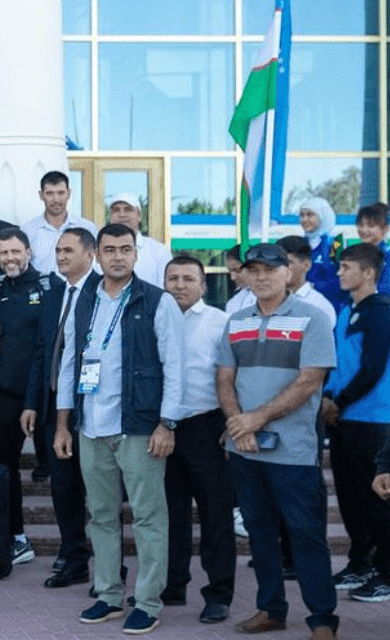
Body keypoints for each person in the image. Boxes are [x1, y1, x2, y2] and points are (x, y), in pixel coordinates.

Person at [54, 222, 183, 635]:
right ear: (97, 255)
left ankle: (146, 601)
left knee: (148, 517)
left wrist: (167, 423)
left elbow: (175, 369)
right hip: (91, 427)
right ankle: (108, 594)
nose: (117, 257)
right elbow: (70, 363)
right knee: (102, 517)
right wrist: (64, 424)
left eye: (124, 249)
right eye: (109, 250)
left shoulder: (156, 301)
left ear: (135, 253)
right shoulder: (85, 300)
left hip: (140, 427)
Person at [218, 242, 338, 639]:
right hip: (245, 449)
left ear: (288, 273)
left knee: (305, 536)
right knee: (260, 534)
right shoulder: (236, 320)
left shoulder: (313, 318)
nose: (263, 275)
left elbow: (309, 382)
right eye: (254, 269)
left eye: (271, 268)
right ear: (245, 276)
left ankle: (322, 619)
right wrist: (239, 424)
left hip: (292, 452)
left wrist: (255, 418)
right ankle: (271, 609)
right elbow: (224, 379)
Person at [160, 255, 235, 623]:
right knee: (170, 514)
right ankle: (172, 586)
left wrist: (231, 422)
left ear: (203, 286)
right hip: (164, 430)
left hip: (208, 427)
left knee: (215, 515)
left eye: (188, 278)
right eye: (172, 278)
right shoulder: (155, 319)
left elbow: (235, 377)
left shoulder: (220, 323)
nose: (179, 285)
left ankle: (219, 593)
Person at [23, 227, 95, 589]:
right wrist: (32, 403)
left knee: (99, 490)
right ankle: (73, 556)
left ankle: (111, 564)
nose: (61, 256)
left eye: (69, 250)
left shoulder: (103, 292)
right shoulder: (54, 295)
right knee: (63, 487)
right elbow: (42, 351)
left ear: (90, 254)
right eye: (58, 250)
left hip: (95, 407)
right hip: (55, 407)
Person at [321, 242, 390, 602]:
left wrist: (340, 402)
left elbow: (373, 368)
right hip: (344, 418)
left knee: (377, 499)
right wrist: (329, 399)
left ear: (368, 272)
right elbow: (340, 363)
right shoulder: (347, 311)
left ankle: (387, 573)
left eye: (346, 267)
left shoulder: (381, 311)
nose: (339, 273)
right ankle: (360, 563)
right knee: (351, 498)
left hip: (375, 420)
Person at [0, 228, 46, 566]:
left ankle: (74, 545)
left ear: (28, 252)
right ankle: (17, 537)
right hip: (6, 395)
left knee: (59, 469)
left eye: (15, 252)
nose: (10, 258)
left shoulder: (49, 287)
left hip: (45, 397)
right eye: (3, 253)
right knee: (5, 467)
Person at [22, 171, 97, 275]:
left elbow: (95, 264)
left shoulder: (87, 228)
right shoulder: (28, 231)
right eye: (50, 193)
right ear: (41, 195)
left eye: (61, 193)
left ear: (69, 194)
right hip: (42, 289)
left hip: (79, 290)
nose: (56, 199)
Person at [105, 193, 172, 287]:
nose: (121, 214)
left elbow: (166, 290)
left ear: (139, 215)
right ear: (111, 216)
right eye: (116, 210)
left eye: (128, 209)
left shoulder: (159, 251)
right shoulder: (98, 251)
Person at [275, 235, 338, 328]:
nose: (282, 268)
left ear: (306, 265)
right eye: (278, 262)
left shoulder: (320, 306)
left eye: (288, 262)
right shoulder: (263, 300)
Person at [298, 196, 343, 310]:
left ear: (323, 216)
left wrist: (313, 287)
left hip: (330, 306)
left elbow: (339, 279)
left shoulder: (335, 244)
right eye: (302, 215)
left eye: (310, 215)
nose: (304, 219)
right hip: (303, 305)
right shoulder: (298, 244)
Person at [354, 202, 389, 295]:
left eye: (371, 226)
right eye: (361, 225)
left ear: (385, 229)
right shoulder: (353, 255)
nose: (364, 230)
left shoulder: (387, 256)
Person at [225, 244, 255, 316]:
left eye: (238, 270)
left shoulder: (269, 297)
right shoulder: (233, 301)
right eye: (230, 271)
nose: (233, 277)